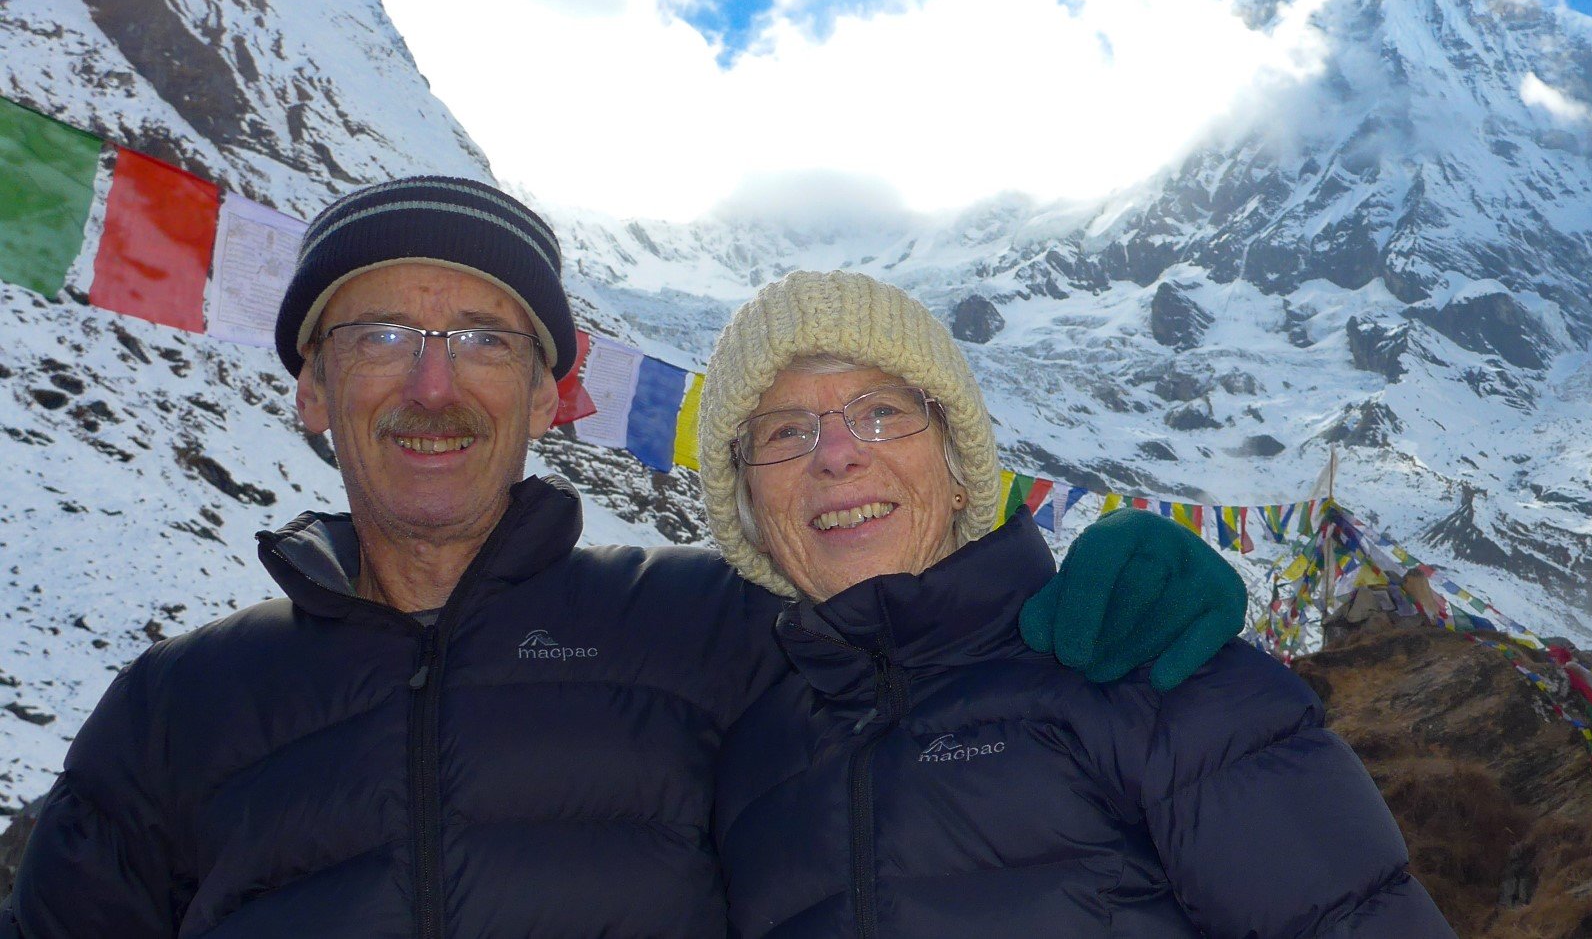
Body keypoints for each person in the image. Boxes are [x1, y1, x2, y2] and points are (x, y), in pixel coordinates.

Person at [1, 178, 1247, 937]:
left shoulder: (708, 624)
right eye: (382, 333)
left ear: (554, 397)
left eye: (487, 340)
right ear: (313, 393)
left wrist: (1086, 594)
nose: (434, 386)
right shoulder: (173, 709)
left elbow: (925, 654)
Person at [698, 270, 1455, 937]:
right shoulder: (747, 768)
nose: (836, 453)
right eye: (786, 431)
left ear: (960, 469)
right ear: (754, 517)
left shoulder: (1143, 667)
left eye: (882, 412)